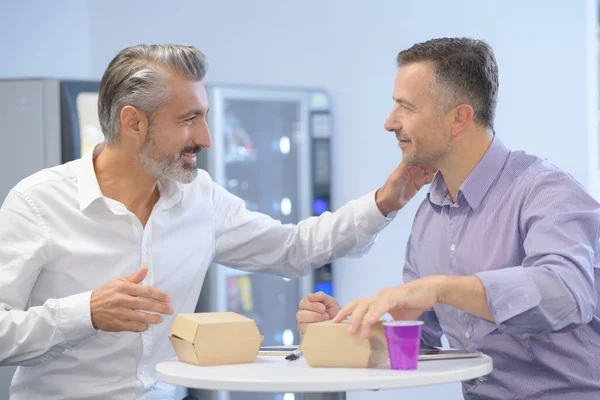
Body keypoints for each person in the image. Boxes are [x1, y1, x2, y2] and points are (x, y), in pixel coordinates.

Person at [0, 44, 434, 400]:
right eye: (189, 119)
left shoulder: (199, 198)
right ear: (133, 121)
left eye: (204, 115)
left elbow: (293, 248)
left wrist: (385, 201)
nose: (206, 138)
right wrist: (86, 312)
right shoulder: (37, 203)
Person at [297, 37, 600, 399]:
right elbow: (415, 344)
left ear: (459, 118)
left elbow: (568, 295)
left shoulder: (546, 191)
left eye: (405, 107)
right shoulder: (430, 215)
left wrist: (440, 288)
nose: (389, 122)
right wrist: (344, 330)